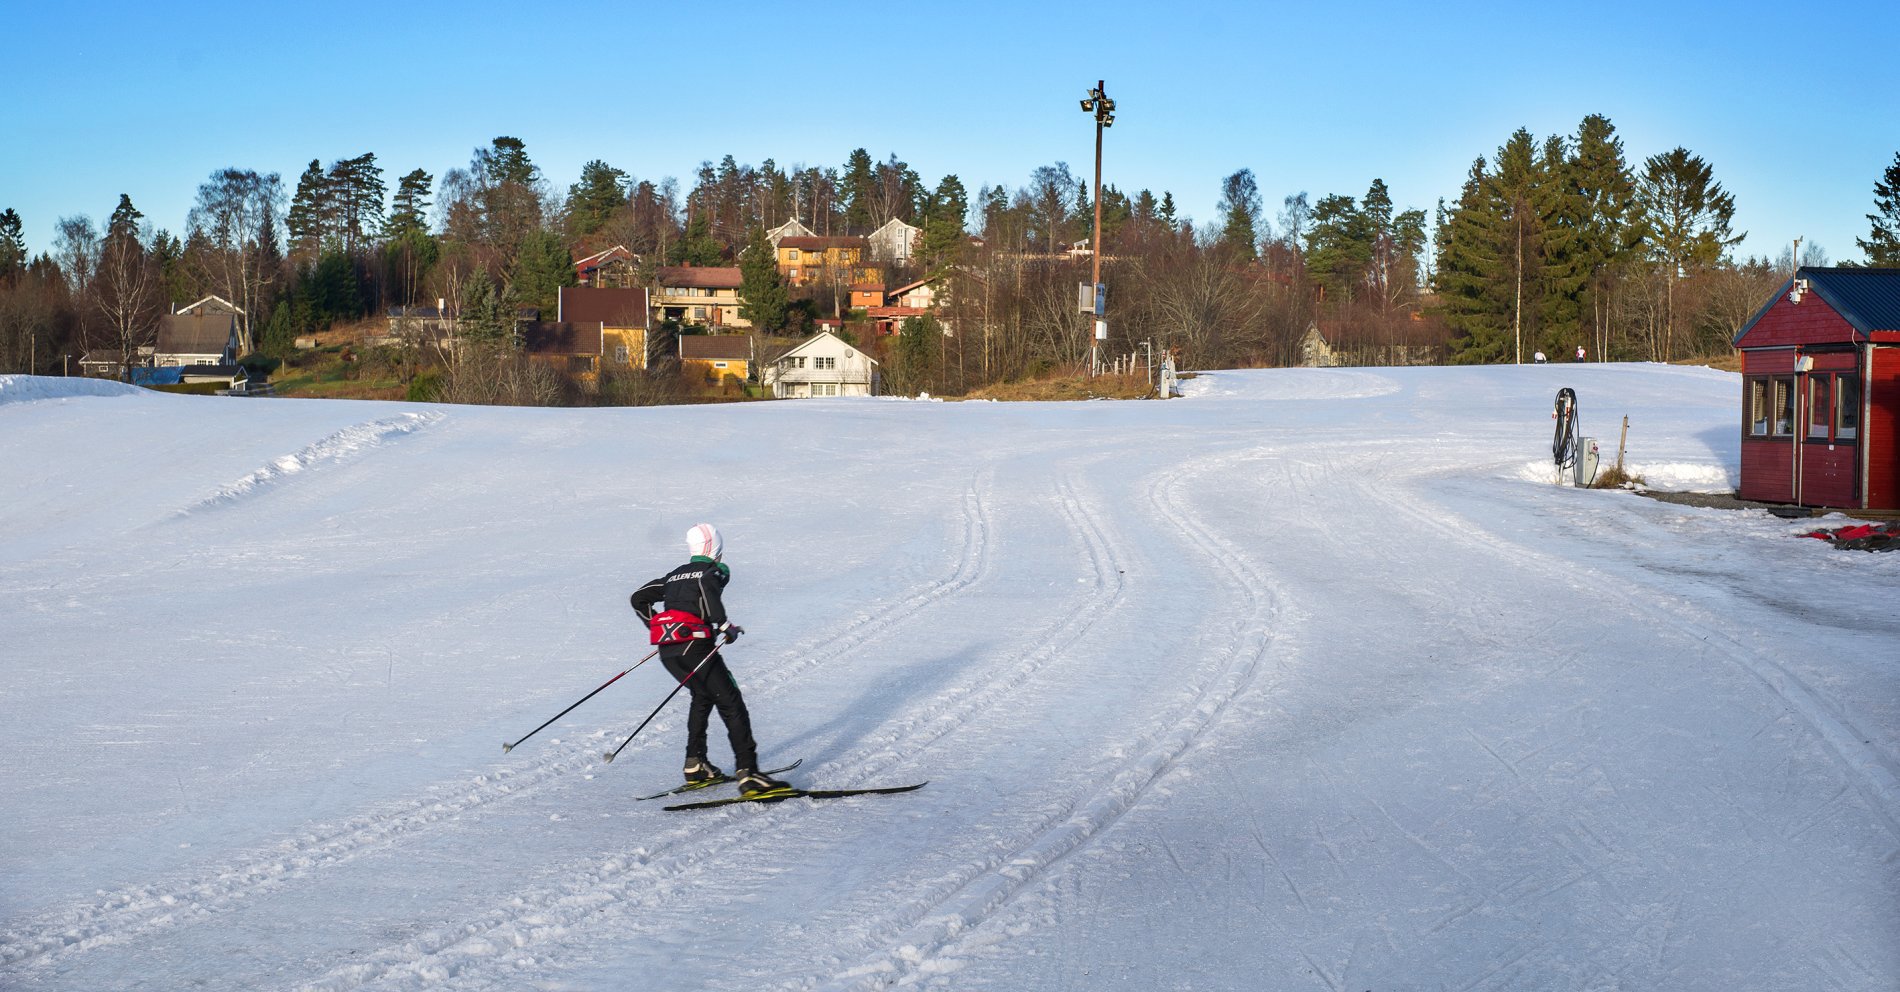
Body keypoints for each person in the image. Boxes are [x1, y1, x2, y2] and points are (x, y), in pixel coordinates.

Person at [630, 523, 788, 797]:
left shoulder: (673, 576)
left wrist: (659, 626)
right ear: (715, 548)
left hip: (669, 652)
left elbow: (638, 598)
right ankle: (749, 774)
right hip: (696, 648)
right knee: (732, 703)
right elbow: (707, 587)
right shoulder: (711, 572)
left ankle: (696, 765)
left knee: (702, 697)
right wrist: (725, 626)